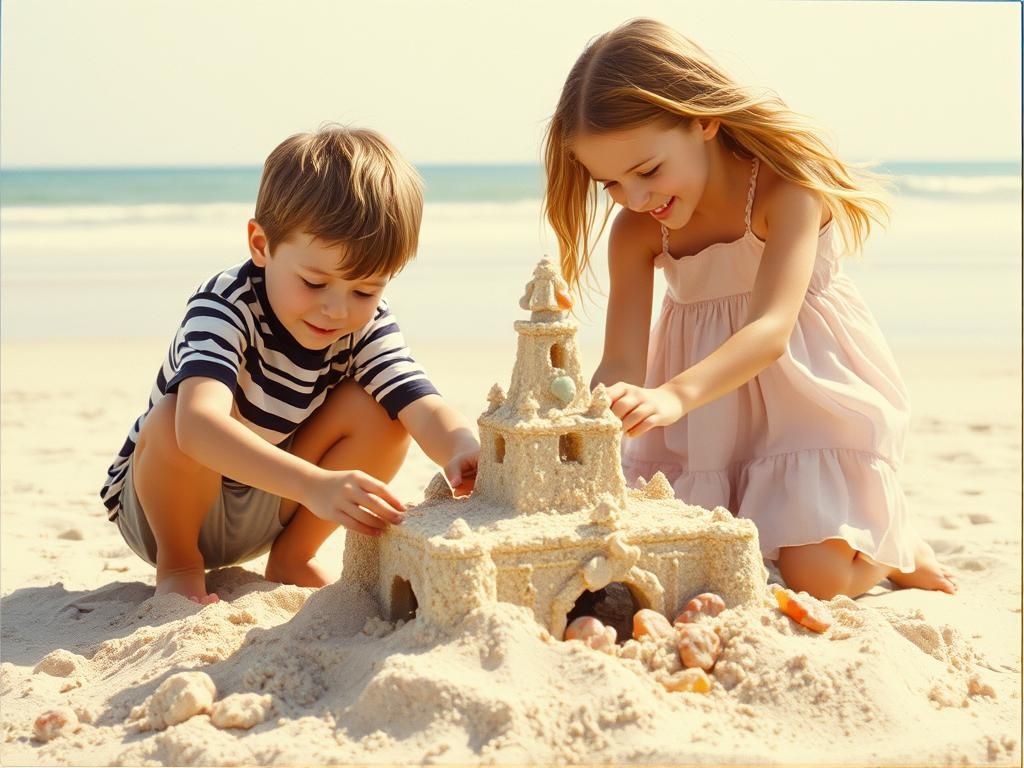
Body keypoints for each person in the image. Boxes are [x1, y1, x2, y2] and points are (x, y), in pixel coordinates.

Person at [542, 18, 955, 600]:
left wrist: (673, 395)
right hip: (709, 421)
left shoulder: (788, 193)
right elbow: (621, 361)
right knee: (682, 563)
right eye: (608, 184)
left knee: (820, 580)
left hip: (807, 397)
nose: (634, 199)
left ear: (704, 120)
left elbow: (769, 331)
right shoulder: (636, 233)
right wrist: (576, 431)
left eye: (648, 171)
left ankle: (896, 552)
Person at [100, 125, 480, 604]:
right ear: (261, 245)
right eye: (315, 282)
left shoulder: (363, 324)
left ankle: (293, 556)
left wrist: (460, 448)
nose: (337, 309)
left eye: (365, 290)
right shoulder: (225, 306)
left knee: (383, 413)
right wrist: (315, 485)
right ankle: (180, 568)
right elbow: (196, 428)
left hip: (273, 499)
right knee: (175, 415)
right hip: (164, 509)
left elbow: (419, 401)